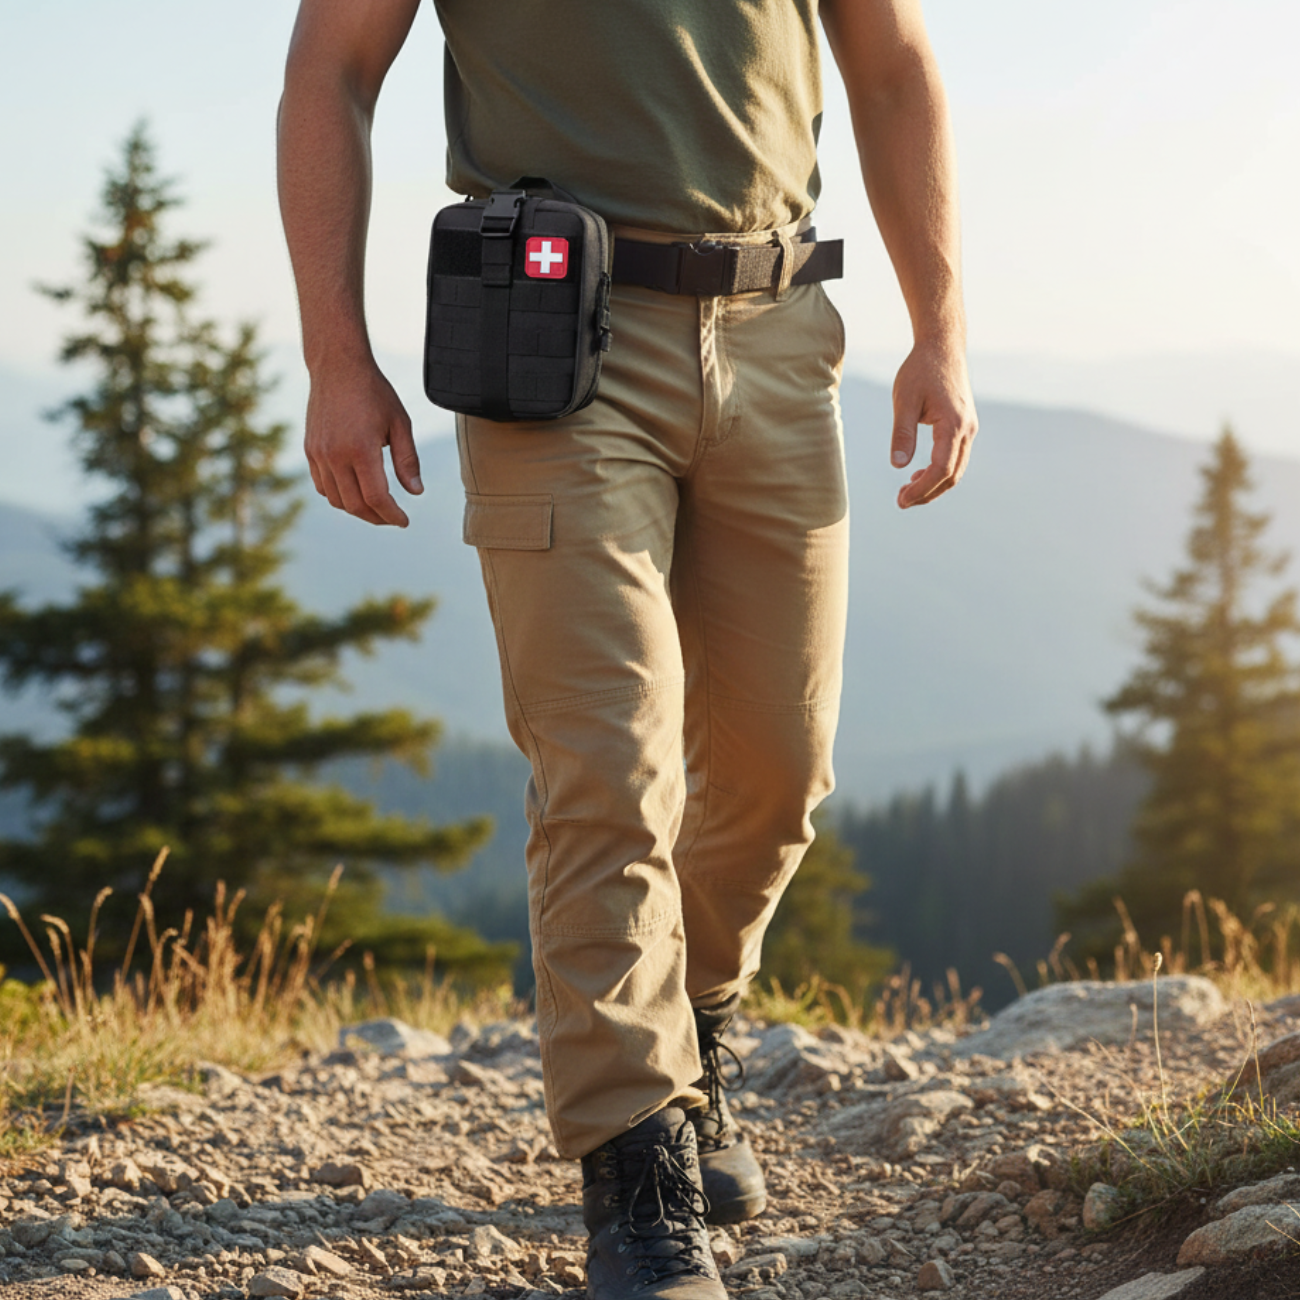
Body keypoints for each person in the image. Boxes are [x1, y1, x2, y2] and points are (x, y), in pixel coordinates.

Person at [278, 1, 977, 1295]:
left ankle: (692, 1034)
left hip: (780, 335)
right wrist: (335, 354)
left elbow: (893, 66)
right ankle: (636, 1178)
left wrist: (940, 325)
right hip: (554, 341)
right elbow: (332, 68)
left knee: (779, 771)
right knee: (608, 763)